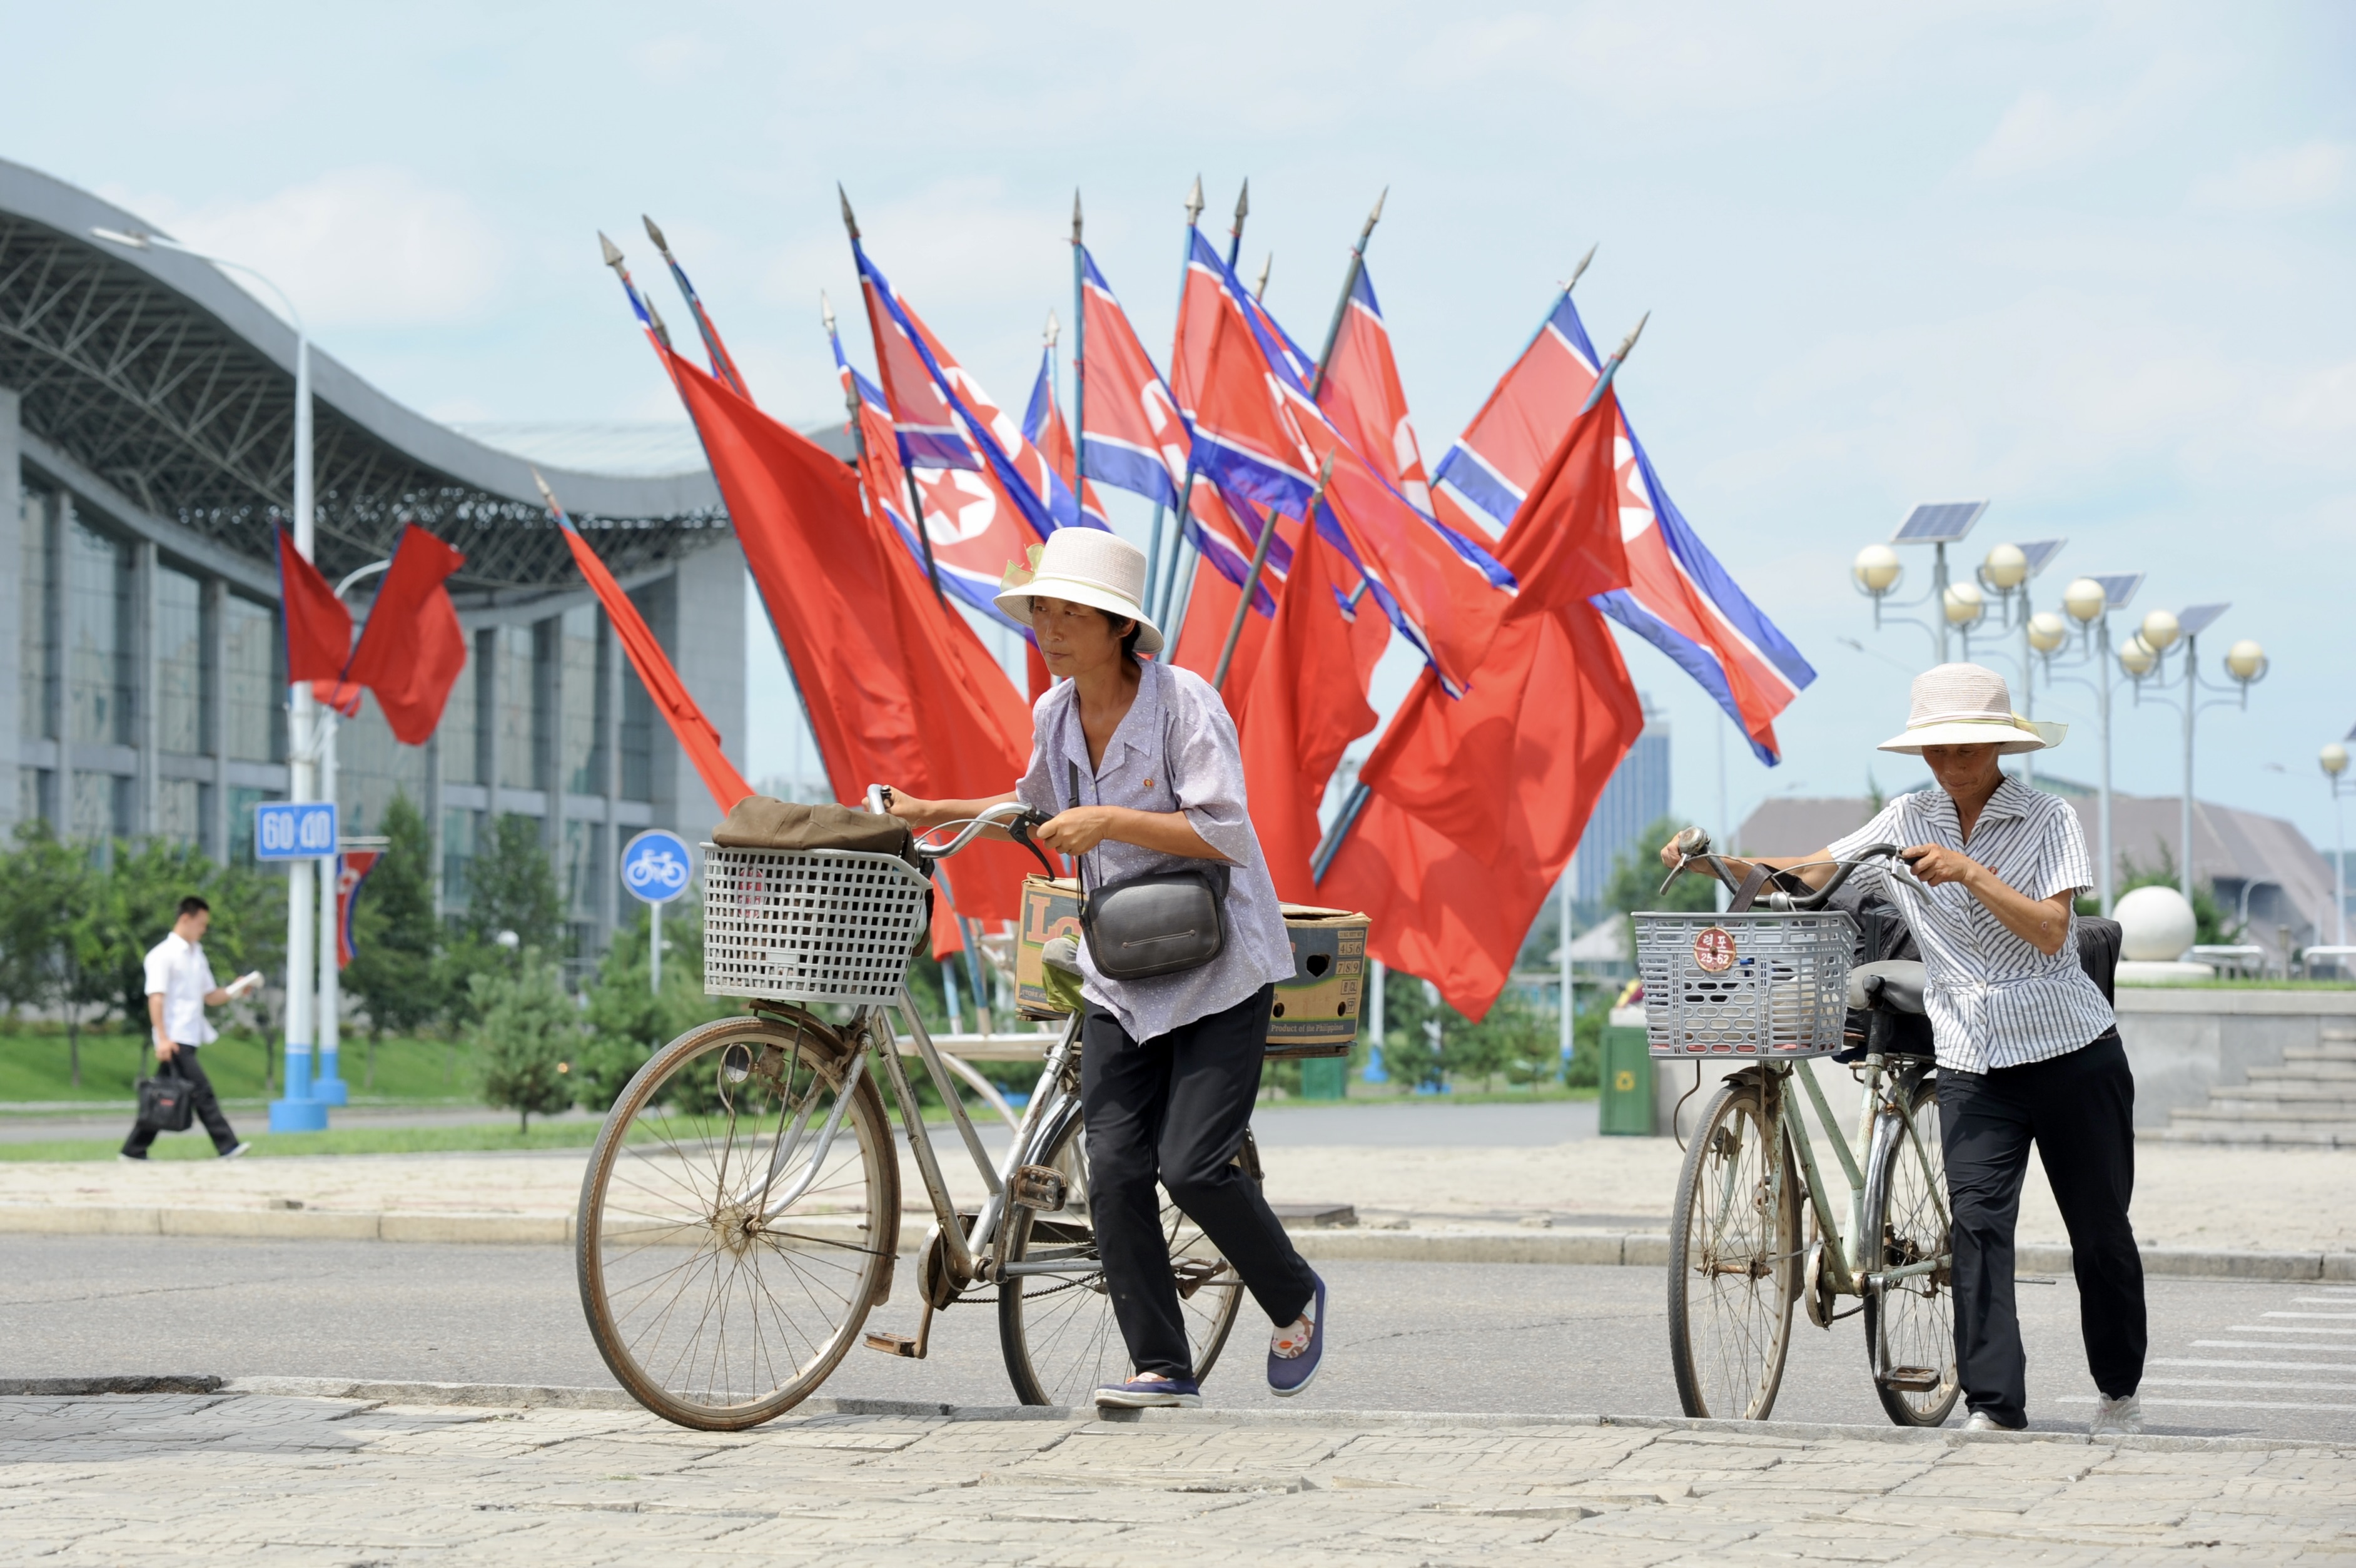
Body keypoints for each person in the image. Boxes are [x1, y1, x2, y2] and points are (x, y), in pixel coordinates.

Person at [882, 528, 1326, 1409]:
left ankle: (1293, 1292)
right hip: (1120, 970)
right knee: (1115, 1165)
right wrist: (931, 806)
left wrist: (1109, 820)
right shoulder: (1054, 713)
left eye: (1069, 612)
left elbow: (1224, 832)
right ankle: (1162, 1362)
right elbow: (1036, 803)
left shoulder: (1184, 703)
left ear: (1120, 625)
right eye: (1041, 610)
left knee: (1190, 1165)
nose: (1048, 627)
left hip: (1219, 966)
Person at [1659, 663, 2145, 1436]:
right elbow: (1811, 871)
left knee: (2099, 1234)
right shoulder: (1907, 814)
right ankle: (1993, 1404)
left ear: (1997, 744)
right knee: (1976, 1228)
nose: (1949, 760)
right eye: (1935, 746)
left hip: (2070, 1051)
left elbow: (2051, 930)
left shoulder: (2048, 817)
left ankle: (2117, 1388)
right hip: (1971, 1057)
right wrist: (1718, 864)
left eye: (1964, 745)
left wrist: (1969, 872)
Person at [121, 896, 260, 1161]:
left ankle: (133, 1150)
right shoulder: (162, 955)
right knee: (201, 1092)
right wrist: (163, 1038)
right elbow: (156, 998)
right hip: (174, 1038)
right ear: (186, 919)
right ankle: (228, 1146)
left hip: (190, 1034)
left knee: (163, 1093)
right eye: (201, 924)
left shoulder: (197, 955)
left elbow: (211, 996)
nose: (204, 930)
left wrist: (237, 989)